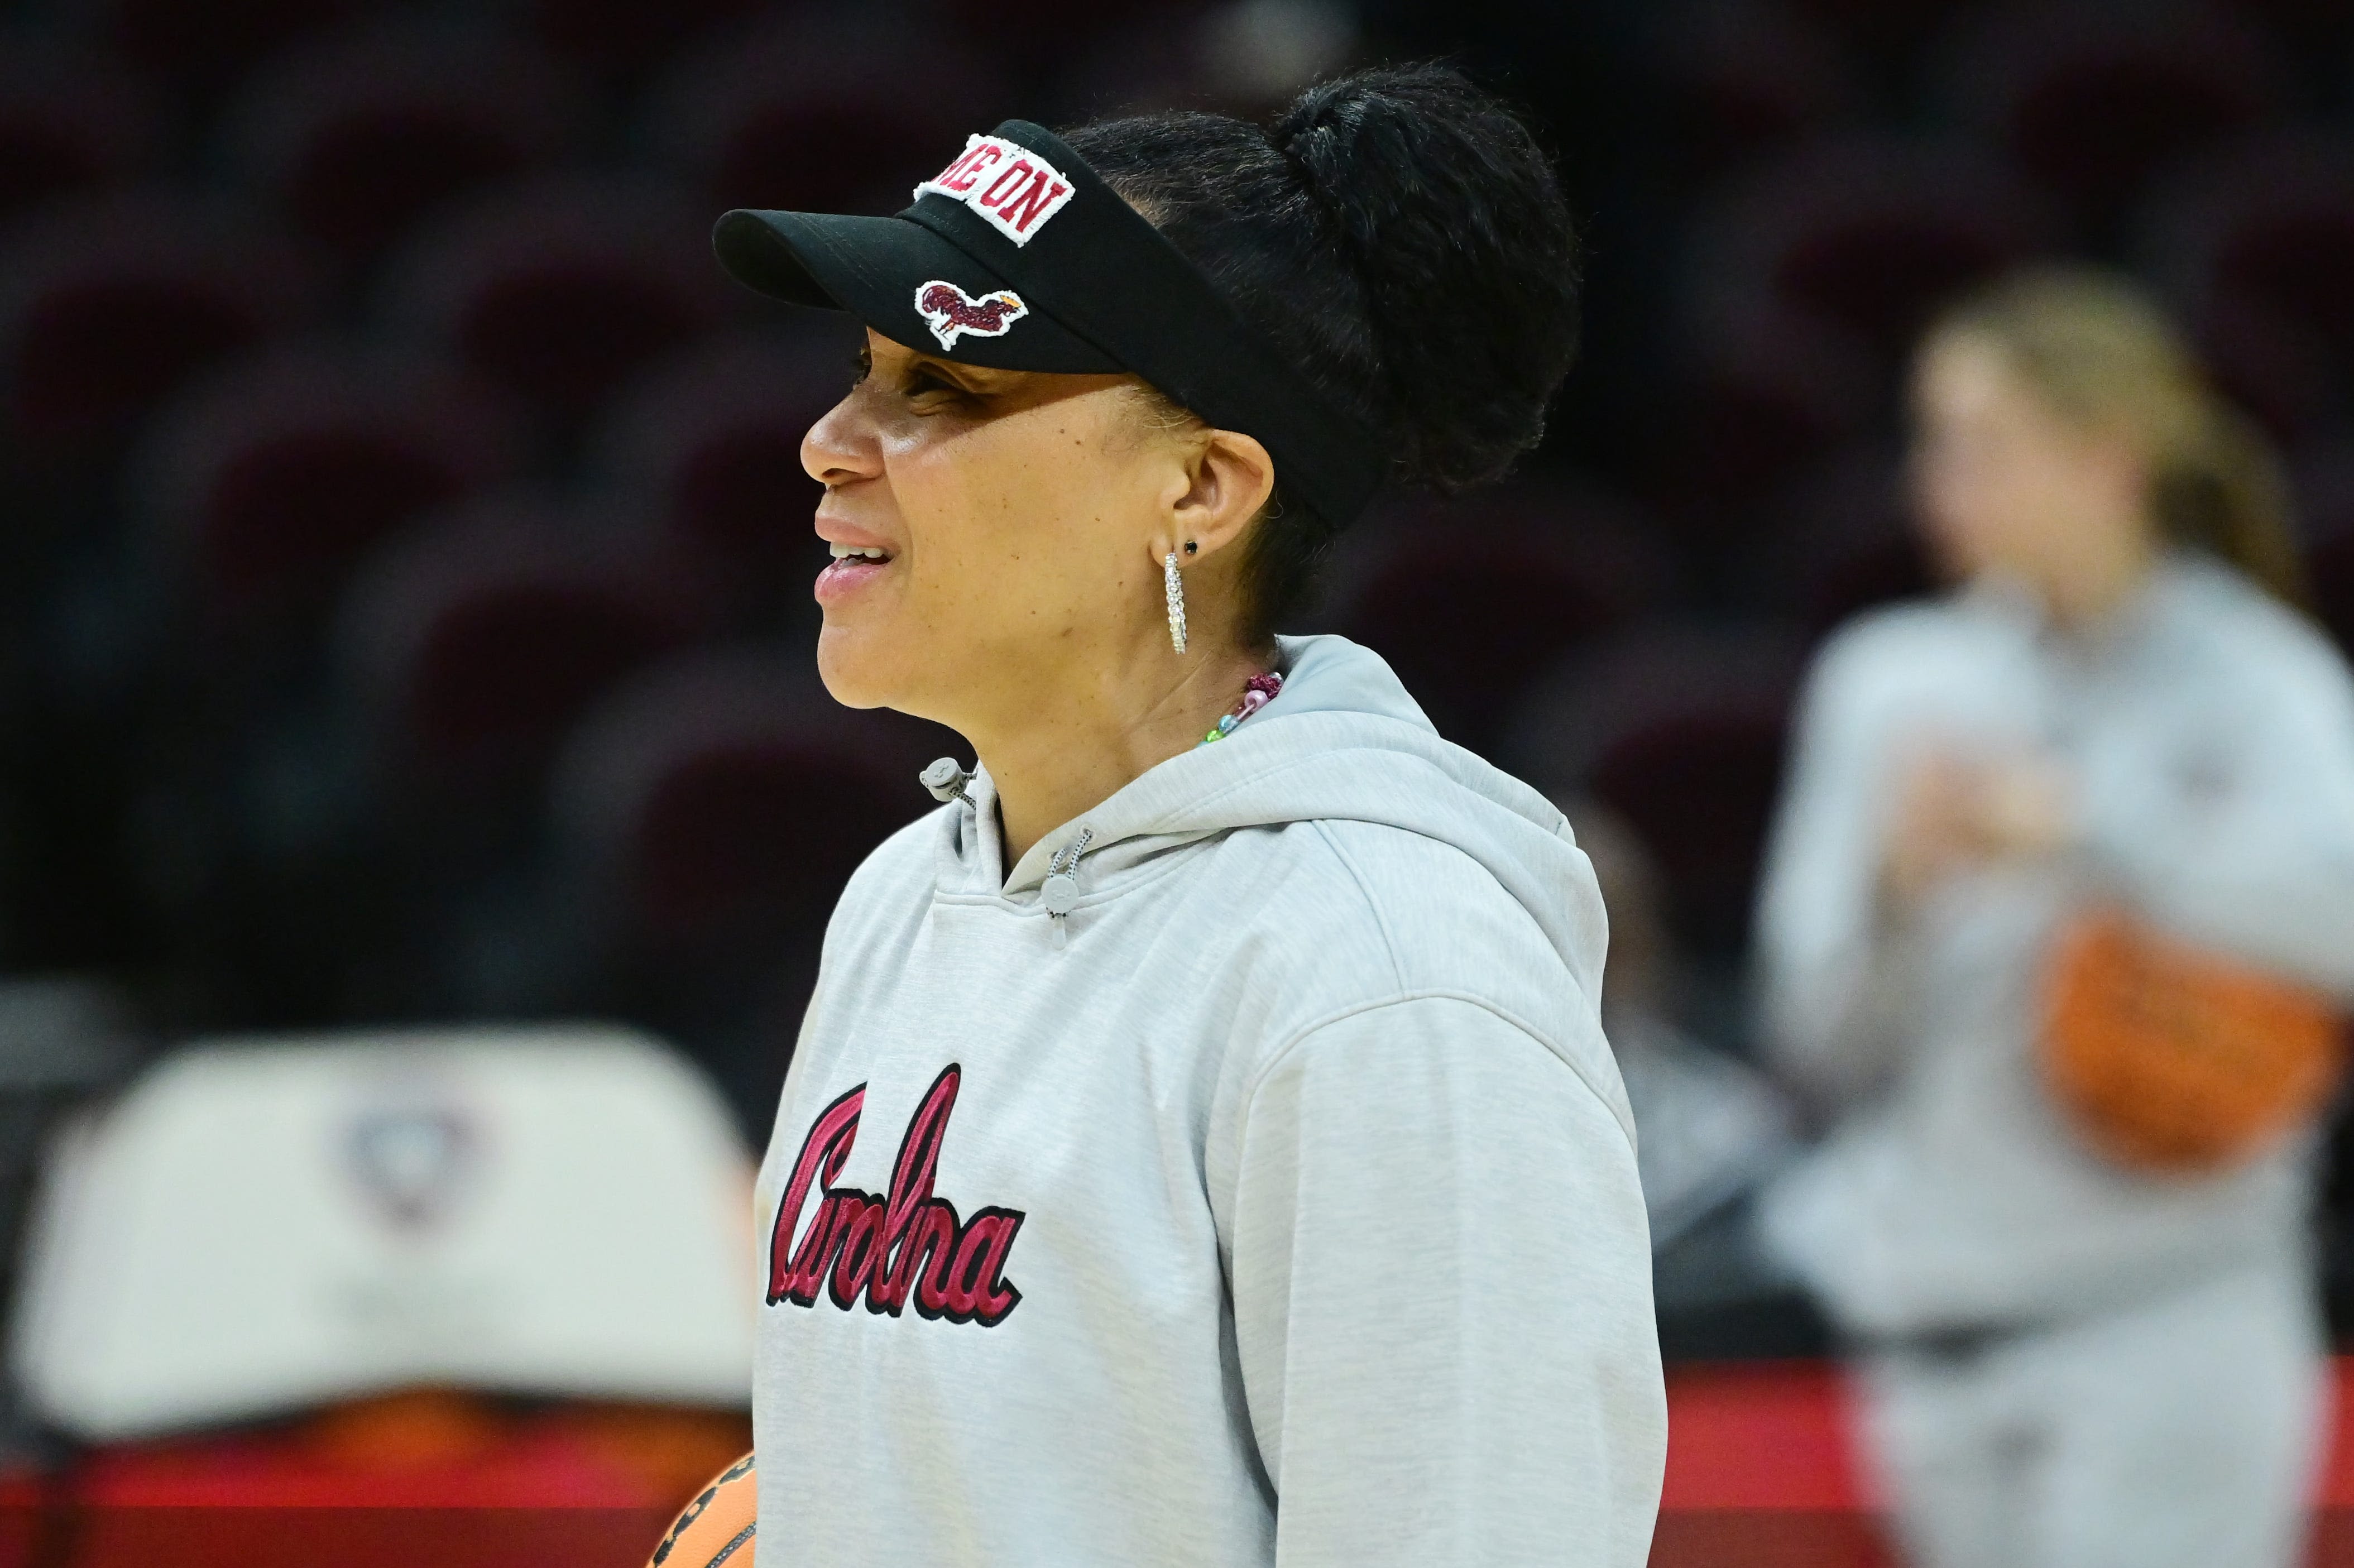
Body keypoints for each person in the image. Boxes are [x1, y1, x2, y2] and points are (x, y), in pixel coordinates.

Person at [703, 65, 1666, 1565]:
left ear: (1201, 491)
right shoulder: (901, 897)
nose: (834, 439)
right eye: (860, 372)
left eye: (943, 385)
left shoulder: (1386, 983)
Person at [1754, 266, 2354, 1568]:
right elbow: (1813, 1040)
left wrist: (2091, 834)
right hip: (1933, 1342)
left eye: (1982, 442)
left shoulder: (2264, 683)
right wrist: (1899, 895)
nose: (1938, 477)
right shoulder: (1889, 684)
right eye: (1931, 439)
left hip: (2167, 1323)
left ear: (2108, 460)